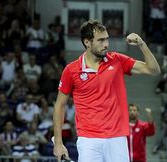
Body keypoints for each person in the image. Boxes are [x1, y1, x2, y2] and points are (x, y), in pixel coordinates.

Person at [53, 19, 160, 162]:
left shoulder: (117, 60)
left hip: (117, 138)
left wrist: (141, 43)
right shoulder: (71, 70)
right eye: (101, 40)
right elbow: (60, 105)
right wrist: (59, 143)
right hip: (88, 140)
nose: (106, 45)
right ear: (87, 42)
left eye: (107, 40)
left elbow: (154, 70)